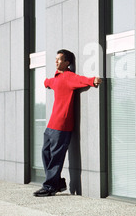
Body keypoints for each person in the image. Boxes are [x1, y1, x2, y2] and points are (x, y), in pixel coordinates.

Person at [34, 49, 102, 197]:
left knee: (56, 157)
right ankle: (57, 182)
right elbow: (49, 82)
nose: (56, 61)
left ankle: (50, 186)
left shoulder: (69, 77)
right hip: (51, 124)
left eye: (60, 59)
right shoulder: (56, 78)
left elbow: (82, 79)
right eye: (56, 59)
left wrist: (93, 80)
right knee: (45, 153)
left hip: (62, 126)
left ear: (67, 62)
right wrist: (46, 82)